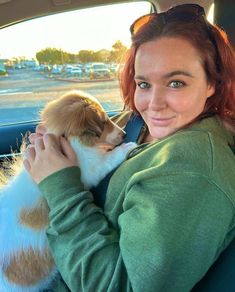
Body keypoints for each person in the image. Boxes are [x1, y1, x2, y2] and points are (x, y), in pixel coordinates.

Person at [24, 3, 235, 291]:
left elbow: (121, 286)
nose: (153, 104)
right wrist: (57, 144)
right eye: (144, 84)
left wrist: (60, 187)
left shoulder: (193, 170)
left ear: (212, 83)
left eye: (176, 83)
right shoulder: (146, 123)